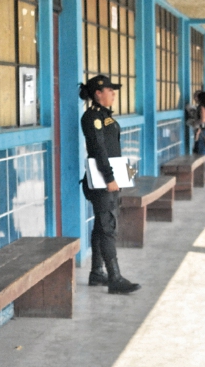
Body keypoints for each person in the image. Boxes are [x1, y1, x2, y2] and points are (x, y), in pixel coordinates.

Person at [79, 75, 141, 295]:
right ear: (98, 93)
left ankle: (97, 273)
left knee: (101, 226)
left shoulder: (105, 117)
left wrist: (121, 175)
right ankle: (114, 278)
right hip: (103, 182)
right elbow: (98, 149)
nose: (113, 94)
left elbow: (113, 150)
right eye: (110, 90)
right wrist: (110, 177)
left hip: (110, 179)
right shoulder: (92, 117)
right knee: (107, 228)